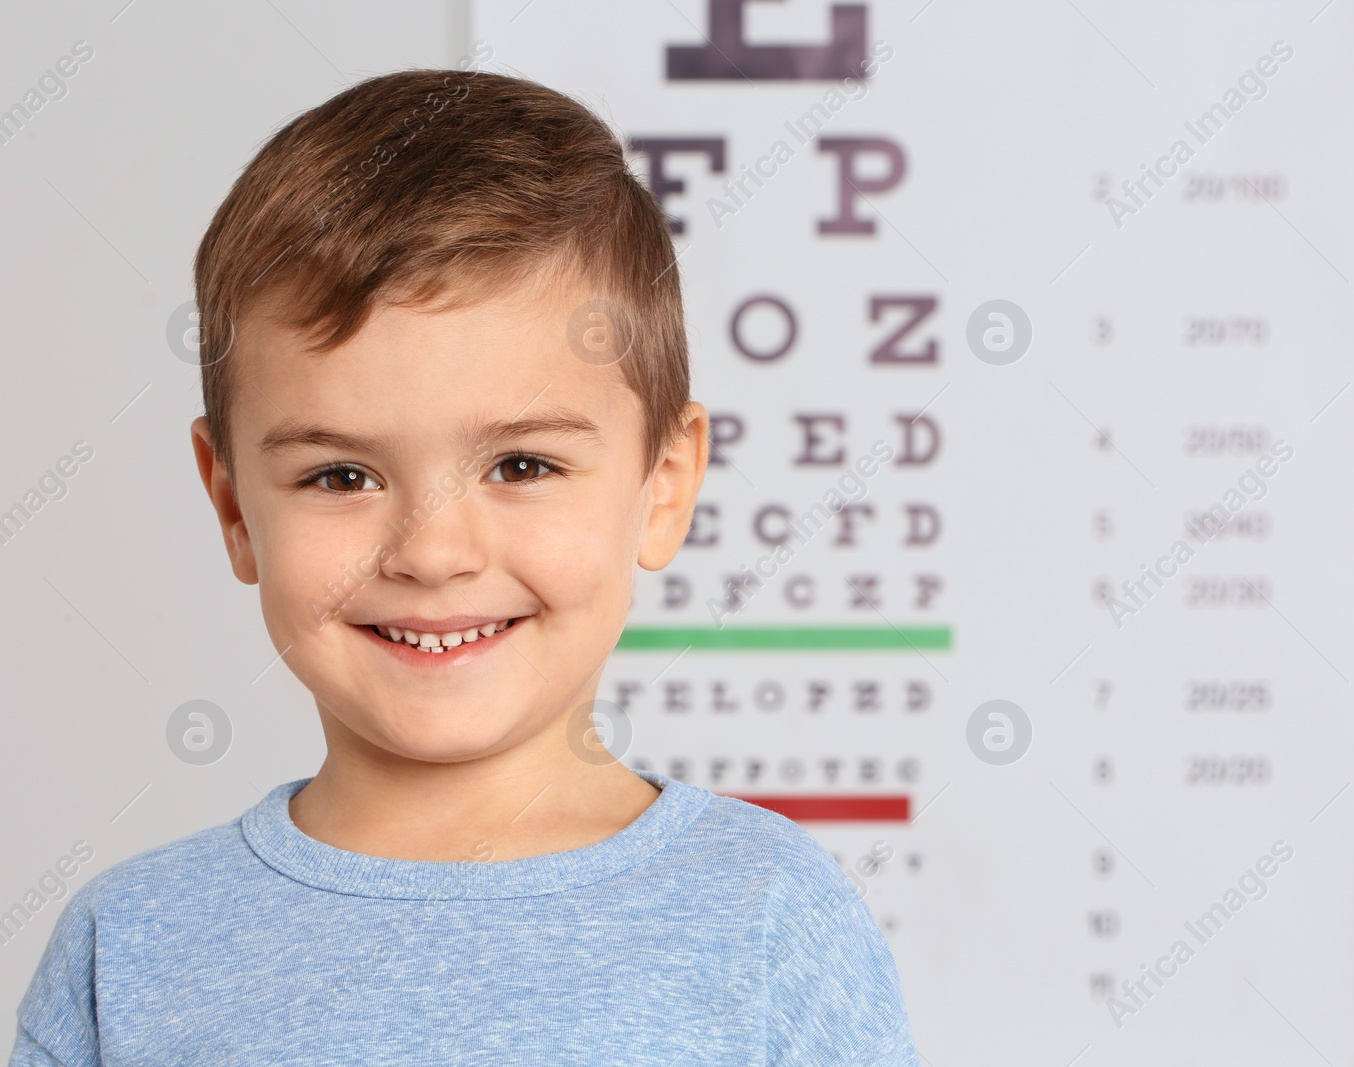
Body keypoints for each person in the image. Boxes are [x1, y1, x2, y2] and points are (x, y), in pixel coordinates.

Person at [9, 67, 918, 1065]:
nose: (433, 552)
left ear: (662, 483)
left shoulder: (770, 921)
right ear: (232, 504)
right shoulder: (131, 946)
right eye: (340, 474)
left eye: (521, 464)